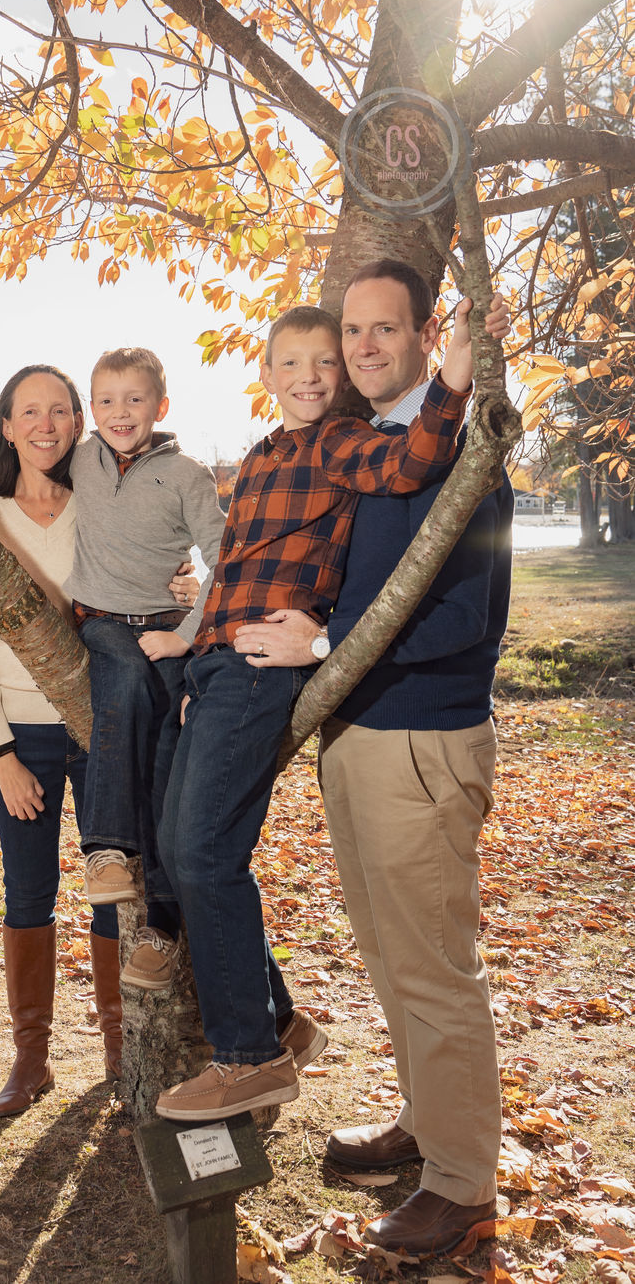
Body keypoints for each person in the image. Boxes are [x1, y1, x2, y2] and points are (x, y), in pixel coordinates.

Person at [153, 292, 504, 1124]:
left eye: (325, 361)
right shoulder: (258, 456)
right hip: (218, 663)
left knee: (204, 850)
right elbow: (229, 568)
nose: (311, 375)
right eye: (293, 362)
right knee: (173, 842)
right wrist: (192, 651)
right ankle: (279, 1021)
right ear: (265, 373)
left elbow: (415, 458)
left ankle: (250, 1057)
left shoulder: (344, 444)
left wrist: (457, 372)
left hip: (264, 667)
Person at [234, 261, 512, 1255]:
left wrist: (321, 642)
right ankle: (427, 1125)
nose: (361, 346)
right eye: (351, 329)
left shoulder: (462, 454)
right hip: (357, 733)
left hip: (422, 740)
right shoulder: (371, 451)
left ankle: (461, 1185)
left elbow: (461, 616)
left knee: (432, 967)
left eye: (383, 328)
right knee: (391, 956)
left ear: (425, 335)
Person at [0, 364, 195, 1117]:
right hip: (21, 736)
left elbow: (154, 567)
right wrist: (0, 753)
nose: (46, 424)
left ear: (78, 422)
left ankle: (120, 1049)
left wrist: (184, 589)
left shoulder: (98, 501)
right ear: (6, 424)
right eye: (29, 411)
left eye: (59, 410)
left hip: (100, 728)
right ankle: (31, 1057)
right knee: (27, 891)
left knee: (112, 889)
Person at [67, 347, 226, 991]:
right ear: (90, 408)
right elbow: (12, 468)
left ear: (161, 406)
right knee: (125, 685)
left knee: (166, 756)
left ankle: (161, 925)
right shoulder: (81, 457)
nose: (120, 412)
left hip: (165, 625)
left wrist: (186, 636)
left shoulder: (187, 475)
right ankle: (106, 849)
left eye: (134, 399)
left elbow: (226, 561)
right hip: (103, 621)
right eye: (106, 400)